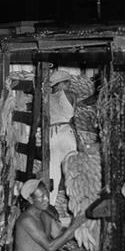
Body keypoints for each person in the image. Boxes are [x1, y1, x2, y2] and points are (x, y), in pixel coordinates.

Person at [47, 70, 78, 204]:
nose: (69, 85)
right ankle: (76, 204)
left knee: (53, 172)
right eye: (68, 83)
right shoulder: (71, 95)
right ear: (63, 83)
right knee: (71, 171)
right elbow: (74, 119)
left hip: (52, 133)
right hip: (66, 133)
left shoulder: (47, 97)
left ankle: (51, 203)